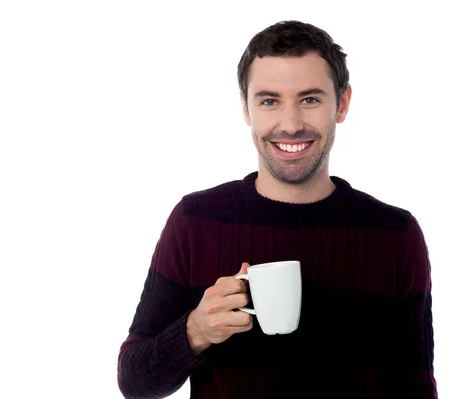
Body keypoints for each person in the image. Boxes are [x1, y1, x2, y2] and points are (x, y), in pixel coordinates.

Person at [117, 20, 437, 399]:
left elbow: (415, 386)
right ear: (246, 108)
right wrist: (197, 331)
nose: (290, 124)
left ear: (343, 104)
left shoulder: (394, 234)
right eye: (270, 100)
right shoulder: (195, 221)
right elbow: (135, 383)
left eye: (310, 99)